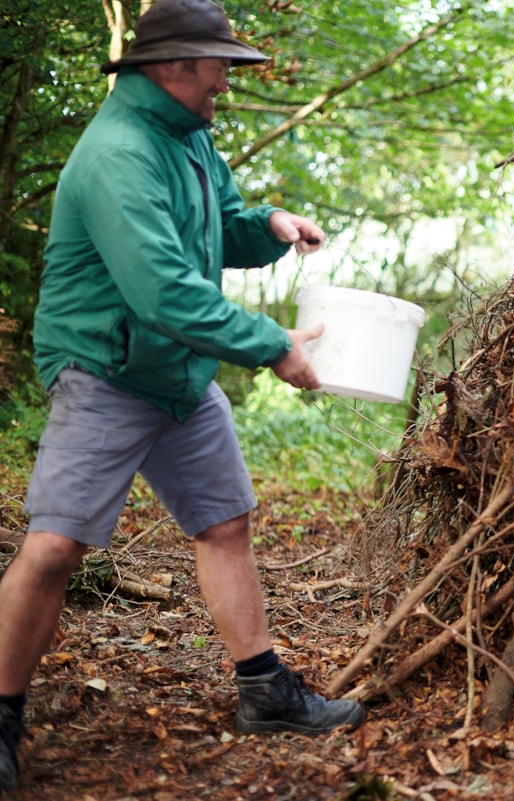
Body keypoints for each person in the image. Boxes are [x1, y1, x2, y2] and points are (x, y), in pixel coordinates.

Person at [0, 0, 365, 792]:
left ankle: (265, 690)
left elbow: (214, 228)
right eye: (218, 67)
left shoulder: (186, 135)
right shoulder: (117, 155)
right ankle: (0, 712)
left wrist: (267, 224)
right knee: (57, 545)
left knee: (224, 522)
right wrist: (273, 347)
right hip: (104, 367)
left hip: (179, 372)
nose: (225, 84)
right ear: (174, 67)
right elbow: (163, 289)